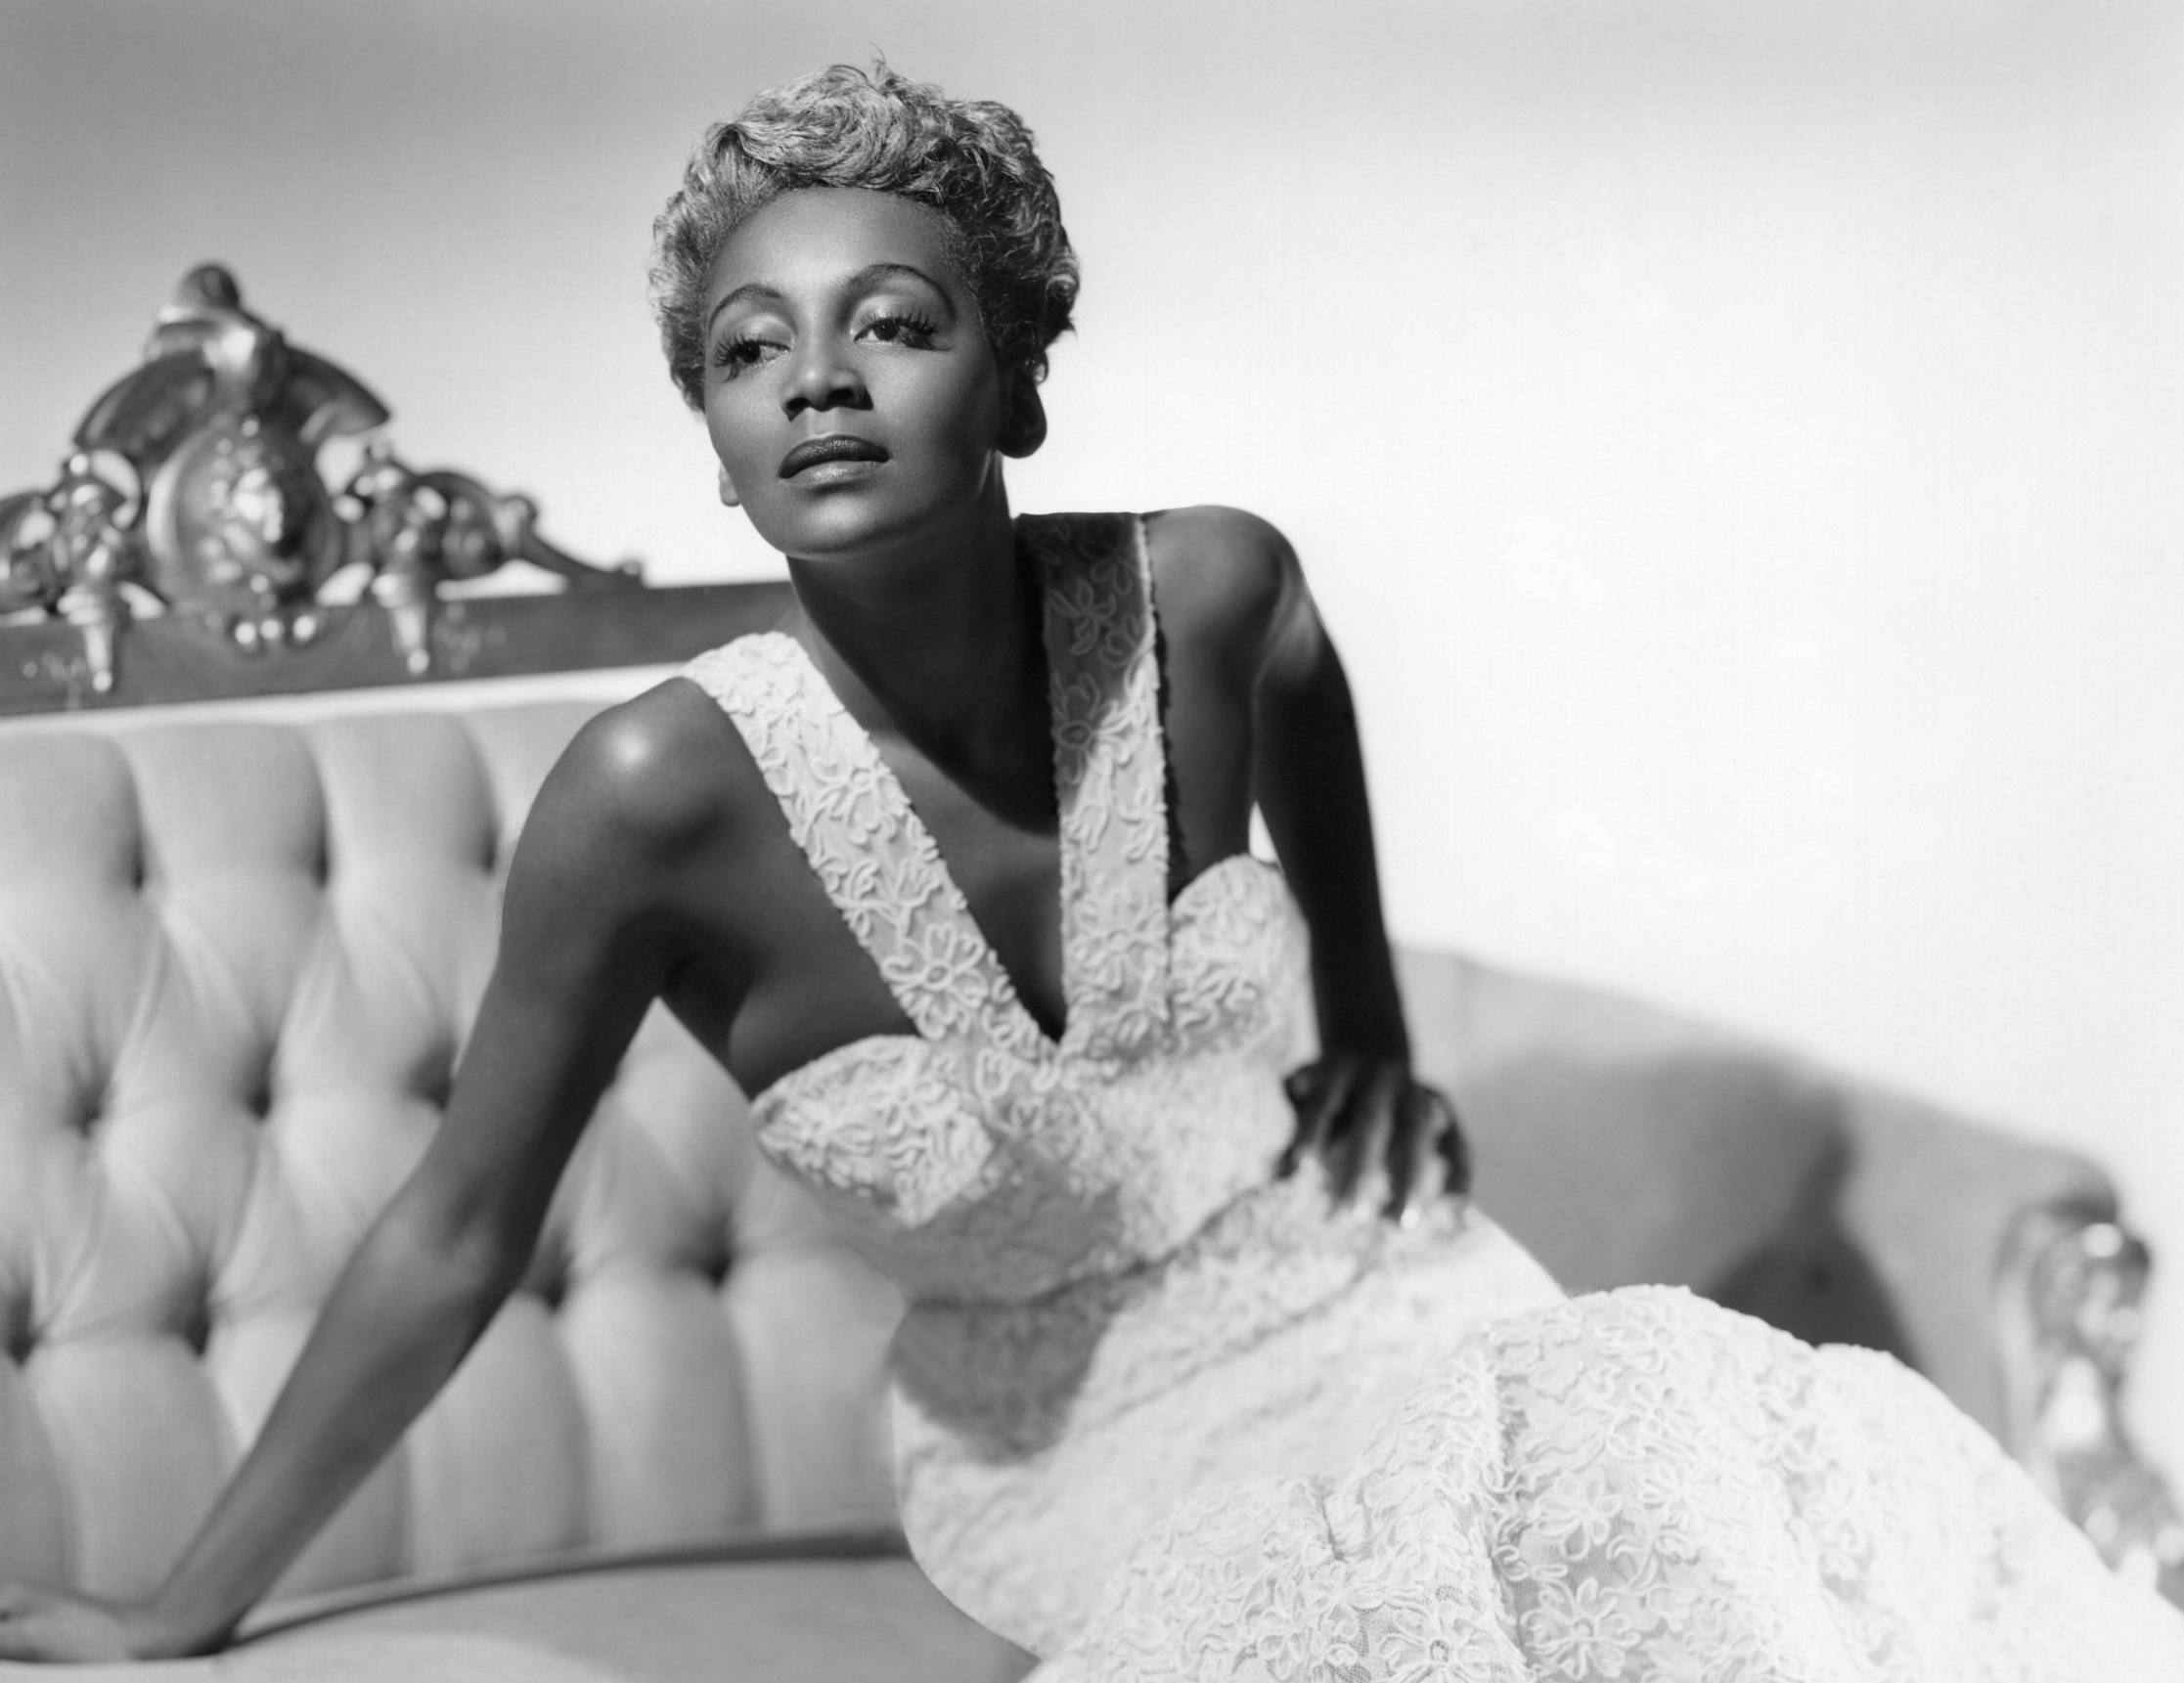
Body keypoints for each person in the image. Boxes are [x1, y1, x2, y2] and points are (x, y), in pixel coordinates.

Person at [3, 61, 2181, 1679]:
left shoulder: (1210, 593)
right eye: (750, 353)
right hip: (1064, 1448)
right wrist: (181, 1612)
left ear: (1020, 382)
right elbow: (454, 1233)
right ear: (713, 436)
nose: (820, 385)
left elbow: (1310, 700)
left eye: (895, 324)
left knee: (1657, 1434)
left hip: (1374, 1283)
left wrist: (1385, 1046)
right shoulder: (652, 791)